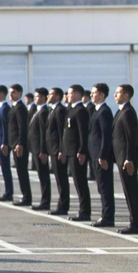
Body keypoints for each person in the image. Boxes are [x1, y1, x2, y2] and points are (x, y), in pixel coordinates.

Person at [112, 85, 138, 234]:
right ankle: (133, 221)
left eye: (117, 93)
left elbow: (131, 138)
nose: (114, 95)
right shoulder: (121, 111)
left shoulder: (128, 112)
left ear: (126, 95)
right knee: (128, 191)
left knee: (132, 192)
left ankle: (135, 224)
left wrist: (129, 158)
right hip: (121, 157)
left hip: (127, 158)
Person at [87, 83, 115, 227]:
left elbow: (106, 136)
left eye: (94, 93)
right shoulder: (96, 110)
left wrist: (103, 156)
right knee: (101, 187)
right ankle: (105, 214)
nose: (92, 95)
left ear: (102, 95)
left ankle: (108, 216)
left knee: (105, 187)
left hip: (101, 156)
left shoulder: (104, 111)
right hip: (95, 155)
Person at [64, 85, 92, 221]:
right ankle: (82, 209)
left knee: (81, 182)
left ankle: (85, 211)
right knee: (76, 181)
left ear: (76, 94)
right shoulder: (71, 110)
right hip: (70, 151)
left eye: (70, 93)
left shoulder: (81, 111)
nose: (68, 96)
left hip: (77, 152)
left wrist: (82, 150)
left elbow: (83, 133)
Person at [46, 88, 70, 216]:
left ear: (58, 96)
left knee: (62, 179)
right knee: (58, 179)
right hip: (53, 149)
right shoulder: (53, 109)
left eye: (51, 94)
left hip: (58, 150)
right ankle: (61, 204)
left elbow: (62, 132)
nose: (48, 96)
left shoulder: (60, 110)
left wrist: (62, 149)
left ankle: (63, 205)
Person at [7, 84, 31, 205]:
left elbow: (23, 128)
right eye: (10, 93)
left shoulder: (20, 108)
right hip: (14, 144)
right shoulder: (14, 107)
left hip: (19, 145)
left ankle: (26, 197)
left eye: (14, 92)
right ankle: (25, 195)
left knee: (22, 171)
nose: (11, 95)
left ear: (20, 93)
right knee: (19, 171)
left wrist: (20, 143)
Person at [28, 87, 51, 211]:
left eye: (37, 97)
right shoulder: (37, 111)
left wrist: (43, 150)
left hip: (40, 149)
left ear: (43, 98)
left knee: (44, 175)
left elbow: (43, 133)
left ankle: (45, 201)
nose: (35, 99)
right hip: (35, 148)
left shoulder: (43, 112)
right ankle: (44, 199)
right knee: (41, 175)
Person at [0, 85, 14, 201]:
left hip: (2, 143)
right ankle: (7, 191)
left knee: (6, 168)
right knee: (3, 168)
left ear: (1, 94)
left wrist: (5, 142)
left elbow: (6, 127)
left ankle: (8, 192)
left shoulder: (5, 108)